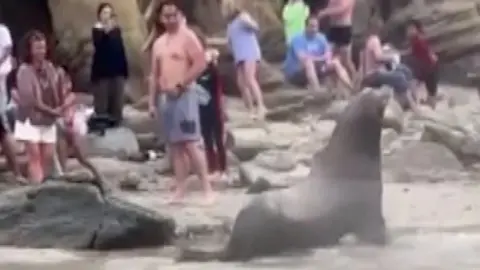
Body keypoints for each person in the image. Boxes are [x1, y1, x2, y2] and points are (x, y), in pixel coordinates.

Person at [149, 1, 215, 205]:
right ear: (160, 18)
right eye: (166, 16)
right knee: (175, 145)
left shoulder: (187, 37)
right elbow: (154, 74)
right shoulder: (158, 43)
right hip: (165, 97)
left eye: (173, 15)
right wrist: (151, 102)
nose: (169, 19)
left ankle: (207, 189)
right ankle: (180, 189)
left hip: (185, 95)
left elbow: (200, 63)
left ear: (179, 15)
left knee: (191, 143)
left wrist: (182, 83)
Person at [14, 30, 67, 184]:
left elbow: (56, 89)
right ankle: (35, 188)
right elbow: (30, 100)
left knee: (48, 154)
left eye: (43, 48)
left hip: (48, 119)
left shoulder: (50, 67)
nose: (41, 51)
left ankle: (39, 183)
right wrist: (53, 111)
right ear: (30, 50)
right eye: (37, 48)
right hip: (29, 118)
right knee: (34, 155)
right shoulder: (24, 70)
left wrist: (60, 108)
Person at [283, 16, 353, 96]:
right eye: (311, 26)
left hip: (316, 68)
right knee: (308, 63)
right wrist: (320, 59)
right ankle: (318, 92)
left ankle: (350, 88)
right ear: (305, 27)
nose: (314, 29)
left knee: (336, 62)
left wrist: (321, 60)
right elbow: (302, 58)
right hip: (296, 73)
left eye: (316, 26)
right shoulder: (297, 39)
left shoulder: (321, 38)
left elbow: (328, 55)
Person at [359, 18, 418, 111]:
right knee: (399, 77)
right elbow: (378, 57)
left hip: (374, 73)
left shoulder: (370, 40)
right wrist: (390, 58)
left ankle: (410, 99)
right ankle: (412, 104)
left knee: (405, 70)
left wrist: (392, 54)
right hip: (373, 74)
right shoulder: (374, 40)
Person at [225, 2, 267, 120]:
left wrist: (248, 22)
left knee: (250, 79)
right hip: (239, 55)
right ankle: (250, 109)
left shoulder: (243, 17)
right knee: (241, 83)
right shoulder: (230, 24)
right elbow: (229, 41)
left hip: (249, 52)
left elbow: (255, 27)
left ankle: (261, 106)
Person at [195, 30, 228, 181]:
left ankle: (223, 169)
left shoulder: (212, 69)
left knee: (219, 140)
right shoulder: (193, 69)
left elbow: (219, 88)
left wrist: (223, 109)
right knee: (207, 139)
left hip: (215, 109)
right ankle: (212, 168)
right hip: (201, 110)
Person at [91, 2, 129, 127]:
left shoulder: (116, 30)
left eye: (109, 13)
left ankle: (117, 127)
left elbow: (120, 50)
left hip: (117, 72)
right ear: (99, 15)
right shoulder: (97, 30)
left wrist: (125, 70)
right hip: (102, 74)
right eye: (105, 12)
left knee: (117, 104)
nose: (107, 15)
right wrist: (106, 29)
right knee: (102, 106)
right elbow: (100, 45)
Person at [317, 0, 356, 78]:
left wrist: (325, 12)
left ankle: (355, 80)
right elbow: (330, 6)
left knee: (346, 59)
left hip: (344, 27)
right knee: (331, 57)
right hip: (333, 28)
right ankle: (333, 84)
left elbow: (342, 9)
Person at [405, 19, 439, 108]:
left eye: (411, 29)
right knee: (429, 85)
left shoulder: (418, 40)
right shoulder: (417, 39)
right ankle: (430, 101)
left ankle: (429, 102)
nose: (408, 31)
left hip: (426, 66)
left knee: (417, 81)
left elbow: (424, 53)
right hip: (427, 66)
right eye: (408, 29)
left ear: (416, 29)